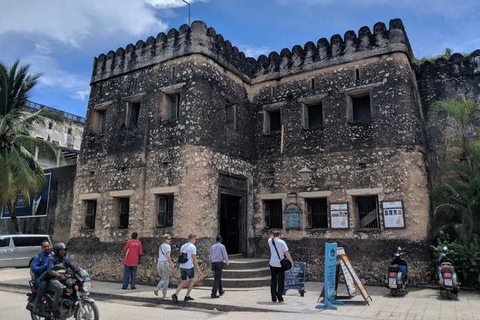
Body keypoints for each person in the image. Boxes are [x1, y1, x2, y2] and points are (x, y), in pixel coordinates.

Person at [43, 243, 83, 318]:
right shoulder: (51, 259)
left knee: (74, 284)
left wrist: (81, 271)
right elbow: (50, 270)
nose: (63, 251)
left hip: (63, 278)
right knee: (60, 288)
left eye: (64, 250)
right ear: (56, 251)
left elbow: (73, 265)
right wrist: (57, 274)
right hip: (53, 279)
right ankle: (54, 309)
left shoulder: (64, 258)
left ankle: (68, 302)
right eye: (61, 250)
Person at [172, 234, 200, 303]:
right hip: (189, 266)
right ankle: (187, 296)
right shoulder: (192, 247)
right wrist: (197, 268)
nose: (195, 240)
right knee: (192, 280)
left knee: (183, 281)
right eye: (195, 239)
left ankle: (175, 294)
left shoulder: (183, 246)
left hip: (182, 266)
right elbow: (194, 258)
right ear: (192, 238)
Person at [268, 230, 293, 303]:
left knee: (273, 280)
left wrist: (275, 235)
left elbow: (271, 237)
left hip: (272, 262)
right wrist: (291, 261)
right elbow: (286, 253)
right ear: (279, 235)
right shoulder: (282, 242)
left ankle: (273, 297)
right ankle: (279, 296)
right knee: (281, 280)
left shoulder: (269, 241)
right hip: (280, 263)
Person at [28, 240, 52, 313]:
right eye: (45, 247)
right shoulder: (38, 257)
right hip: (40, 278)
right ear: (42, 248)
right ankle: (37, 304)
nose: (47, 248)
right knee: (43, 284)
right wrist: (44, 266)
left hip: (51, 276)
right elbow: (34, 269)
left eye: (48, 246)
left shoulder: (53, 255)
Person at [154, 234, 175, 298]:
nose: (170, 240)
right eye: (168, 239)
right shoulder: (167, 246)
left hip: (159, 262)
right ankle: (163, 293)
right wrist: (171, 263)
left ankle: (158, 290)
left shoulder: (161, 245)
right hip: (165, 263)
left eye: (170, 239)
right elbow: (168, 256)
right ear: (165, 239)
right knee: (166, 279)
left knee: (163, 278)